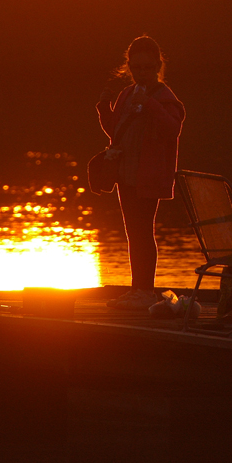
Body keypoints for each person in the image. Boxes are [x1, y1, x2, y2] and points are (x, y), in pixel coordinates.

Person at [97, 36, 185, 310]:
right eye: (136, 68)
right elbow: (116, 132)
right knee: (133, 233)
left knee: (143, 232)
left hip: (149, 176)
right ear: (129, 67)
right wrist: (103, 109)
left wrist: (148, 102)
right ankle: (138, 289)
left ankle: (145, 291)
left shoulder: (164, 97)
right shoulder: (126, 94)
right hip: (126, 174)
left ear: (158, 66)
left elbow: (173, 129)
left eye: (147, 67)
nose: (142, 73)